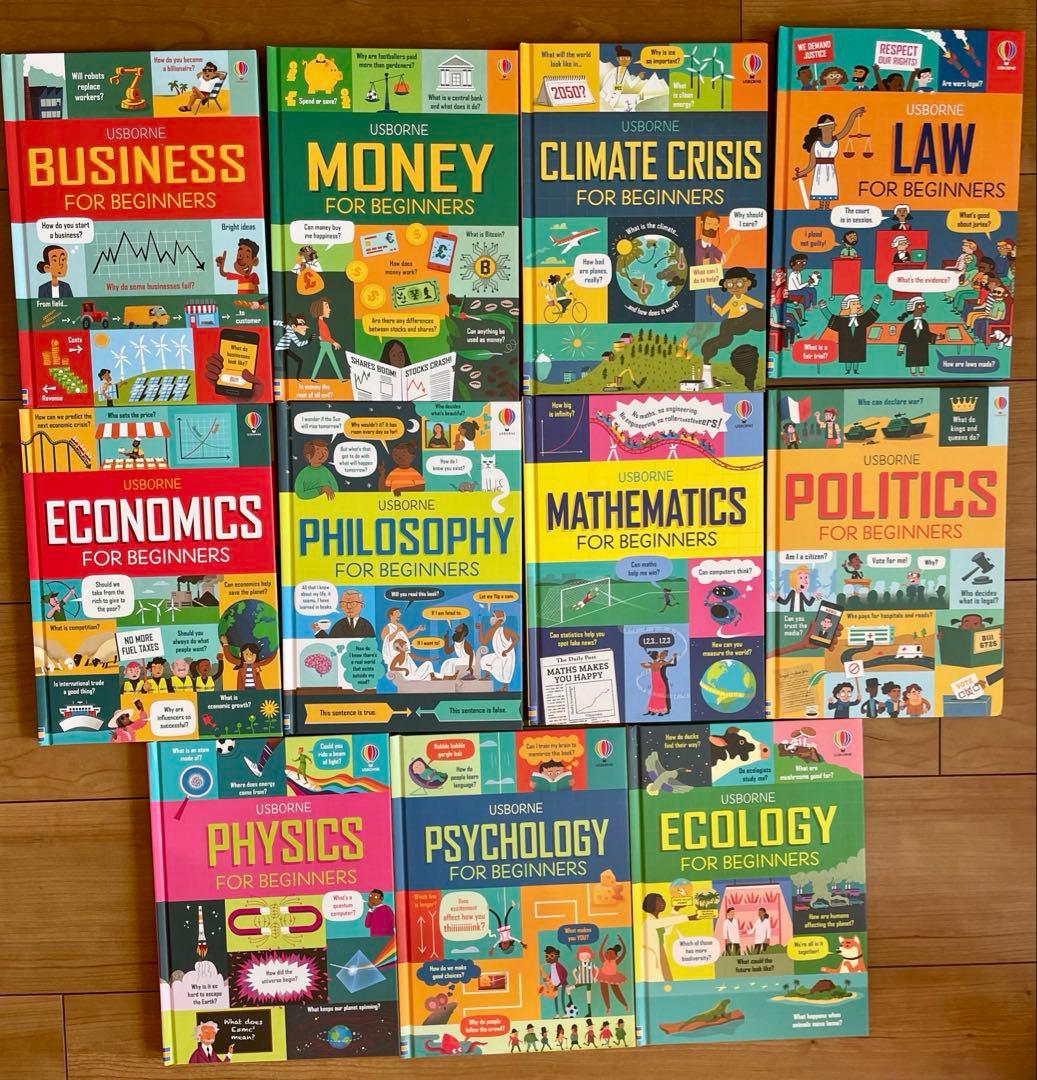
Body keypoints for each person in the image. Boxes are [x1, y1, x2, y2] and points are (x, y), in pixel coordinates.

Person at [793, 107, 867, 210]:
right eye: (830, 124)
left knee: (829, 187)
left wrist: (853, 114)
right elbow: (812, 164)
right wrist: (802, 173)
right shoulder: (816, 144)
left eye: (833, 124)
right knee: (820, 187)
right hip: (820, 171)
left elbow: (846, 130)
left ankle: (826, 207)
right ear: (821, 127)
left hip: (830, 170)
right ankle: (821, 207)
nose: (833, 126)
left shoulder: (835, 140)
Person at [818, 293, 882, 375]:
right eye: (854, 304)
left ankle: (855, 370)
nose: (858, 306)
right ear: (847, 307)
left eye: (858, 303)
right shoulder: (842, 321)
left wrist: (876, 301)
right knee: (847, 356)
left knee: (857, 356)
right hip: (846, 344)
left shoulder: (862, 319)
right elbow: (830, 317)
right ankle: (847, 370)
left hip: (859, 343)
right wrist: (823, 307)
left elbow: (870, 314)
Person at [641, 893, 684, 980]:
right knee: (657, 977)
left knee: (665, 977)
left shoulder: (658, 920)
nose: (663, 903)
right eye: (658, 901)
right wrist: (689, 917)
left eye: (662, 900)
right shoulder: (649, 921)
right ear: (651, 904)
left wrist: (675, 910)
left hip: (661, 951)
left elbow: (667, 930)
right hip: (652, 955)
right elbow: (667, 922)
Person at [898, 296, 943, 376]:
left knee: (922, 359)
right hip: (912, 346)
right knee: (913, 360)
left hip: (922, 346)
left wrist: (938, 337)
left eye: (923, 305)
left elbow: (927, 335)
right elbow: (904, 337)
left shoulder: (924, 323)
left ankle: (921, 371)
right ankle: (913, 372)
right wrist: (901, 349)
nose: (923, 308)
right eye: (920, 306)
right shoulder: (908, 324)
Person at [477, 610, 519, 692]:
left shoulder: (505, 630)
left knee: (506, 670)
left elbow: (517, 638)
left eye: (493, 616)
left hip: (508, 655)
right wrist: (480, 629)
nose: (491, 618)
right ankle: (487, 676)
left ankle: (505, 687)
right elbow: (483, 641)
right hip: (498, 654)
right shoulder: (491, 630)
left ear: (499, 619)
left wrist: (507, 650)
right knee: (485, 660)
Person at [309, 296, 344, 380]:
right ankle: (341, 378)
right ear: (320, 310)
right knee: (332, 361)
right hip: (326, 344)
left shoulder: (321, 322)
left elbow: (322, 335)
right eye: (327, 307)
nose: (330, 309)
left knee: (321, 361)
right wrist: (334, 342)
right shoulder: (321, 323)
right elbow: (325, 336)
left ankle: (313, 377)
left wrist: (321, 337)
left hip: (325, 343)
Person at [596, 932, 628, 1014]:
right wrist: (604, 940)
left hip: (613, 977)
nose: (609, 954)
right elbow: (600, 950)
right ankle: (608, 1008)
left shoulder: (615, 962)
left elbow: (624, 953)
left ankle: (625, 1005)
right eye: (607, 953)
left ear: (615, 955)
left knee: (616, 991)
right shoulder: (604, 960)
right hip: (603, 975)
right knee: (604, 992)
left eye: (611, 953)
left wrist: (622, 941)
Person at [542, 945, 569, 1015]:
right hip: (554, 984)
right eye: (546, 956)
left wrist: (559, 984)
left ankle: (565, 1013)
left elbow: (565, 974)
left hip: (561, 984)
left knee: (562, 999)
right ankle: (557, 1013)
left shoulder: (559, 966)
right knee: (555, 998)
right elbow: (552, 975)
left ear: (557, 956)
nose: (548, 958)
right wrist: (547, 979)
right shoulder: (552, 966)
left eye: (551, 956)